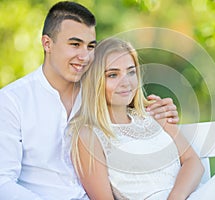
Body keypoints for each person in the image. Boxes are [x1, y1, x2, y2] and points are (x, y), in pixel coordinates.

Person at [70, 37, 215, 200]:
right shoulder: (89, 135)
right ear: (94, 82)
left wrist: (177, 196)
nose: (126, 81)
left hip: (193, 194)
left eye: (131, 71)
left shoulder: (152, 114)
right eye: (112, 74)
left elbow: (193, 162)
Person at [0, 2, 178, 200]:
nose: (84, 56)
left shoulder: (100, 91)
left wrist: (164, 110)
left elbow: (138, 114)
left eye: (90, 46)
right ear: (47, 44)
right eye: (75, 44)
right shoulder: (12, 101)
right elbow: (3, 182)